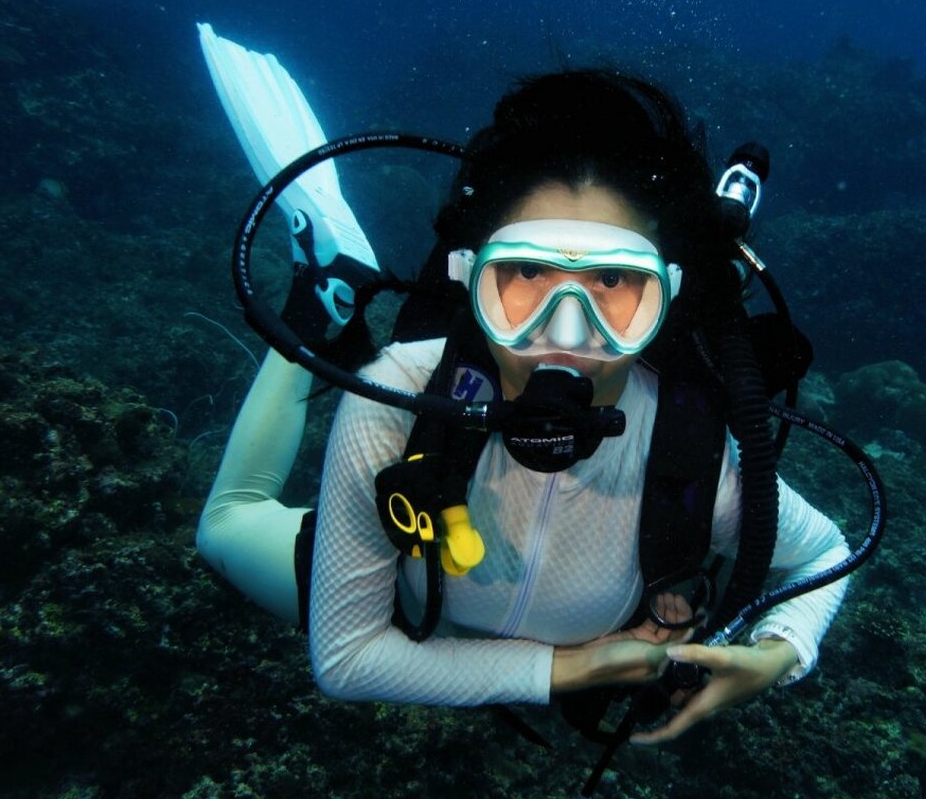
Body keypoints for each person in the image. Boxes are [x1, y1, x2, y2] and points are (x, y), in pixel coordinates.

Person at [195, 69, 850, 744]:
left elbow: (825, 553)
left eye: (615, 283)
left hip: (448, 633)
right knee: (224, 526)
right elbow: (347, 658)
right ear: (472, 279)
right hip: (405, 606)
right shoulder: (402, 399)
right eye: (528, 275)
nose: (566, 336)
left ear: (665, 301)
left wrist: (779, 654)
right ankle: (321, 295)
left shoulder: (695, 457)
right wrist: (567, 669)